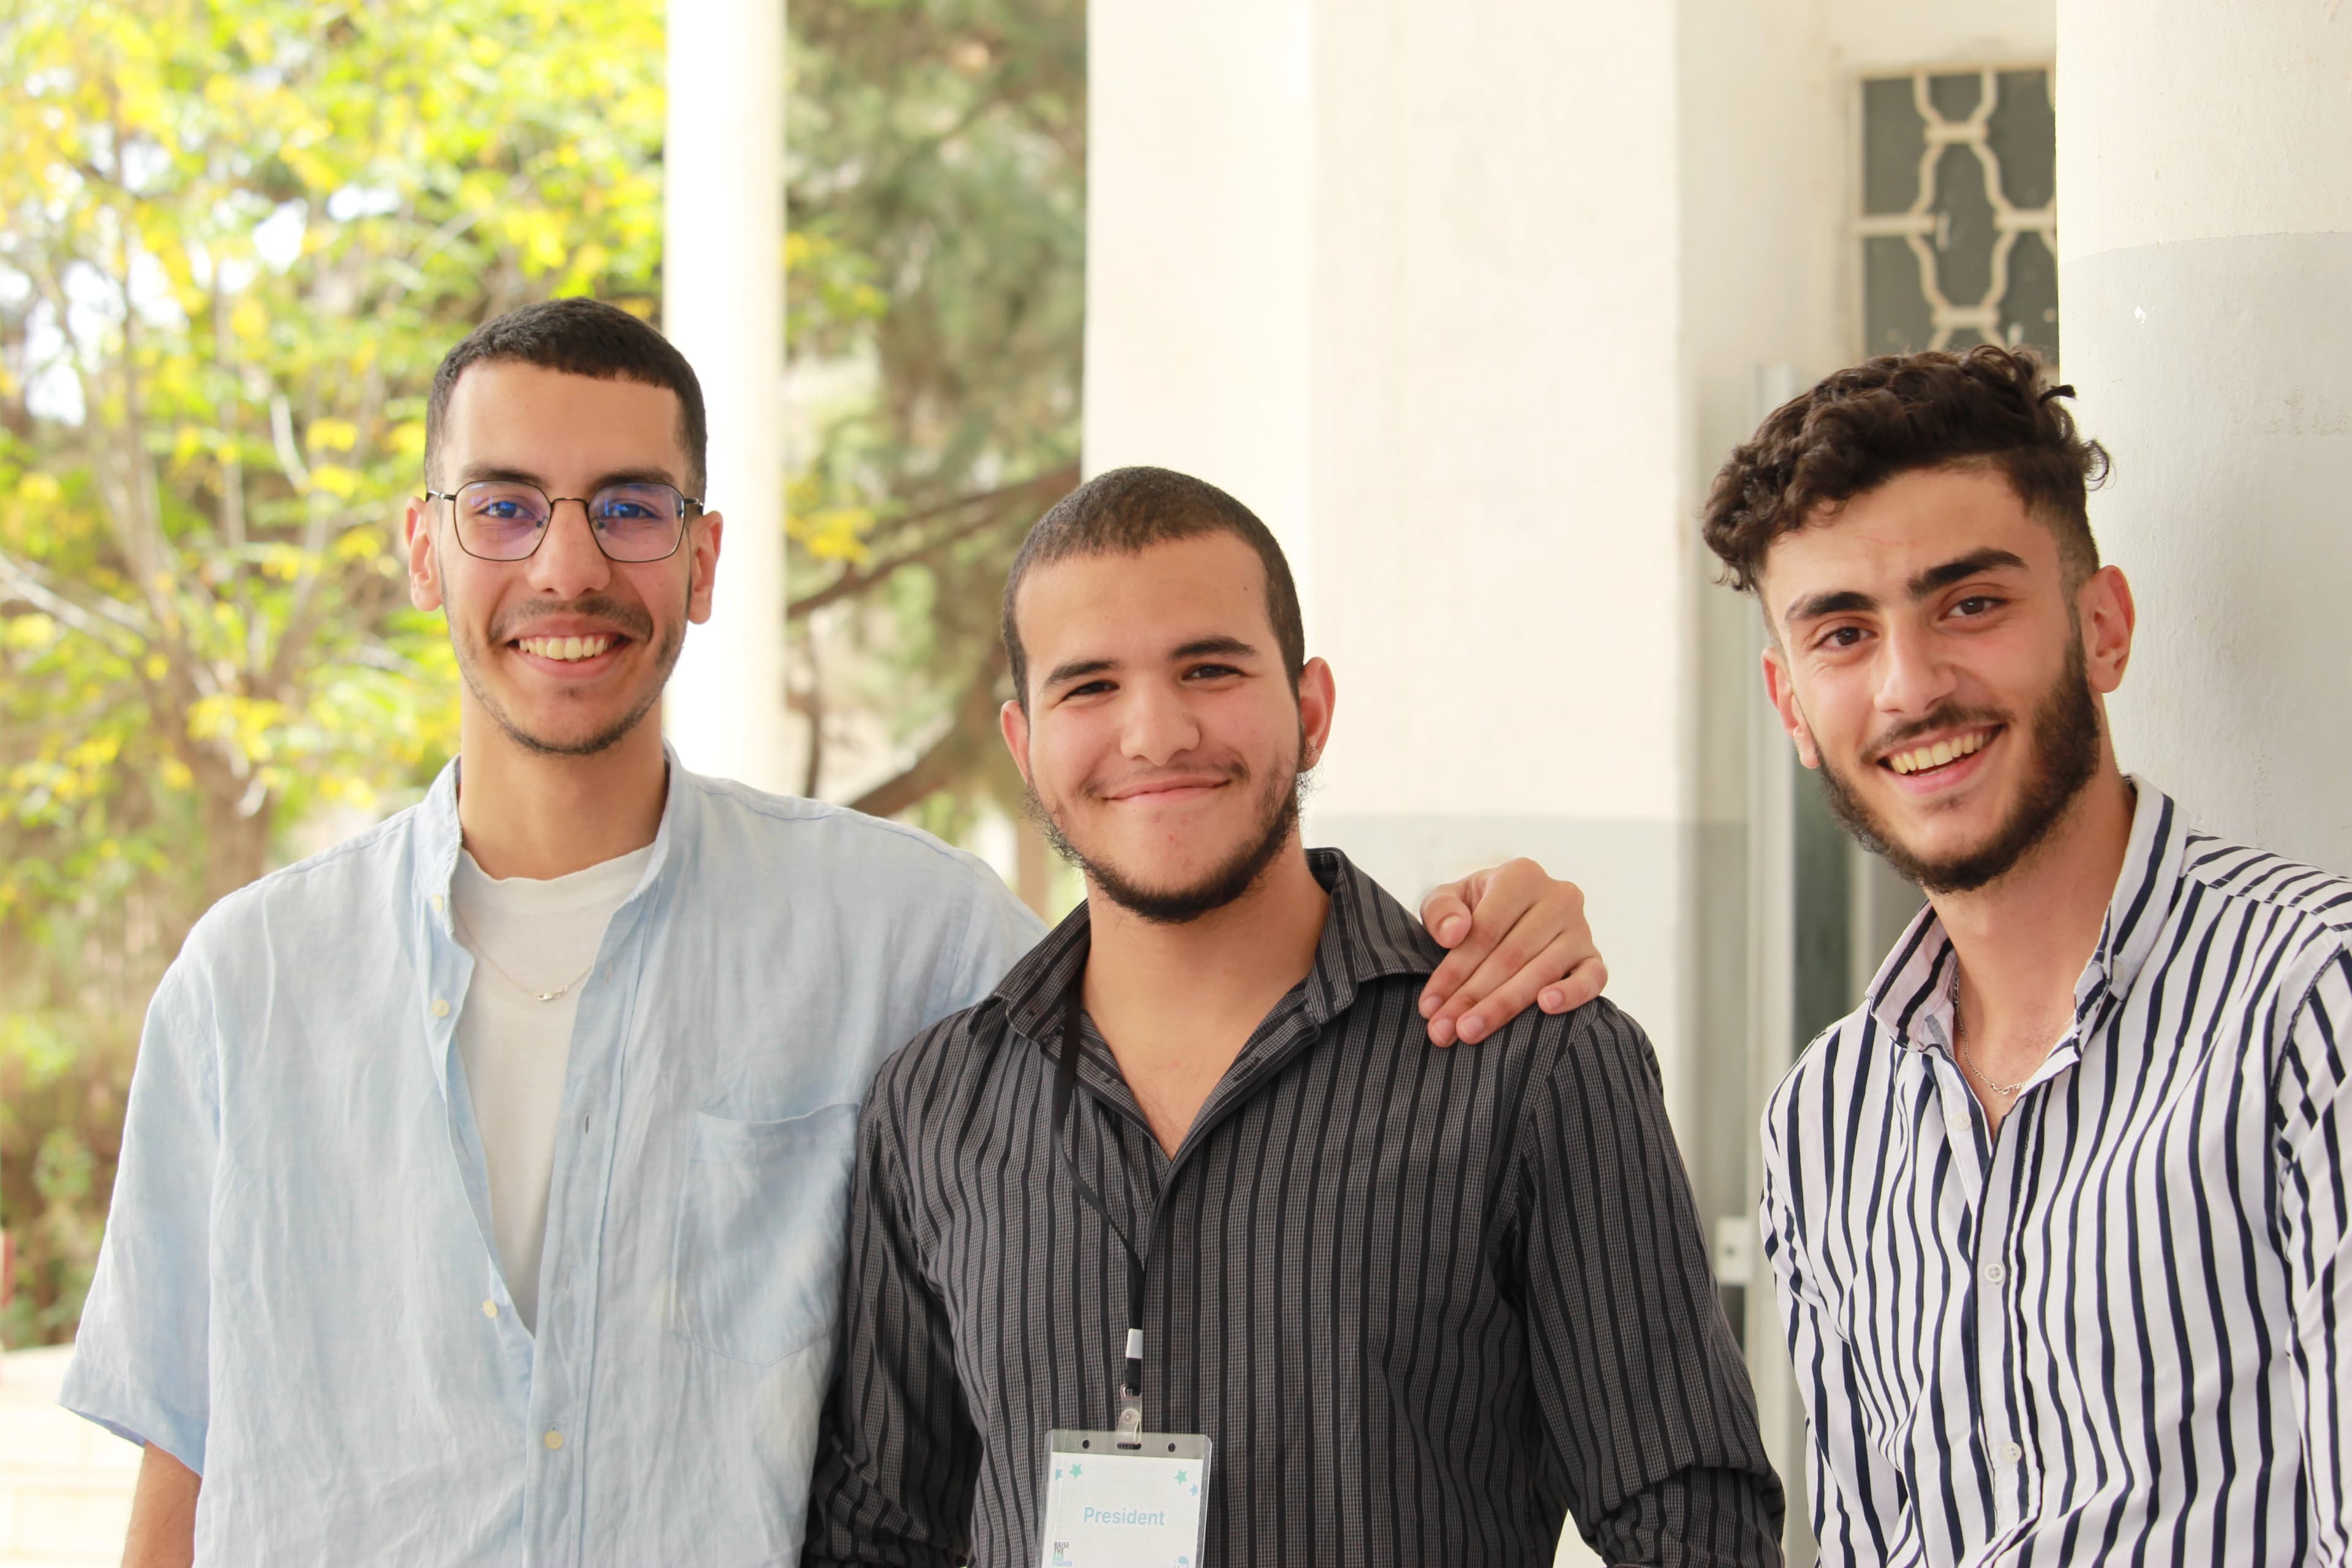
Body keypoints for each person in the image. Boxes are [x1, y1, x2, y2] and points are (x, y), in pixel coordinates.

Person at [62, 300, 1610, 1566]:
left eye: (630, 509)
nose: (567, 564)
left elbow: (1193, 988)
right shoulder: (246, 986)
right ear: (424, 547)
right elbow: (182, 1478)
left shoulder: (908, 934)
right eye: (505, 507)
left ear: (704, 561)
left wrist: (1471, 927)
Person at [804, 466, 1785, 1567]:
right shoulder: (934, 1106)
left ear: (1310, 711)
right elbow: (881, 1539)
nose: (1155, 733)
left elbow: (1691, 1530)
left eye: (1209, 669)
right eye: (1089, 687)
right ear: (1025, 745)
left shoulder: (1531, 1065)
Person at [1712, 345, 2352, 1564]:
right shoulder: (1826, 1118)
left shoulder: (2316, 1005)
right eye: (1843, 634)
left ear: (2102, 629)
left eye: (1971, 604)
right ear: (1791, 705)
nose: (1911, 687)